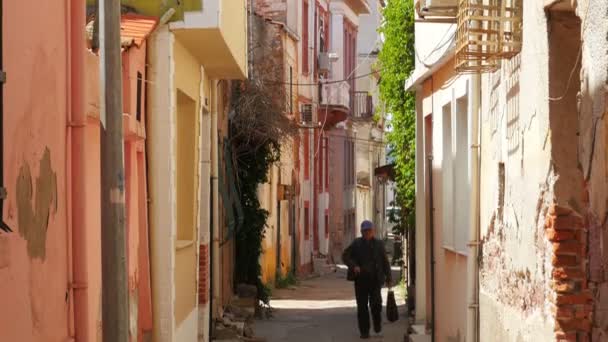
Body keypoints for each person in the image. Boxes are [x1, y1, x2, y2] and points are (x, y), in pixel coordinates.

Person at [342, 220, 392, 339]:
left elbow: (385, 262)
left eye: (369, 230)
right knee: (362, 307)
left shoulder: (379, 244)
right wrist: (354, 266)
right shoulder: (356, 243)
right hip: (361, 280)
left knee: (376, 304)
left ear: (373, 231)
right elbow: (345, 256)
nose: (367, 233)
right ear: (361, 232)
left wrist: (389, 277)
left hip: (375, 280)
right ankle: (364, 331)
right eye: (365, 231)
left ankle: (377, 326)